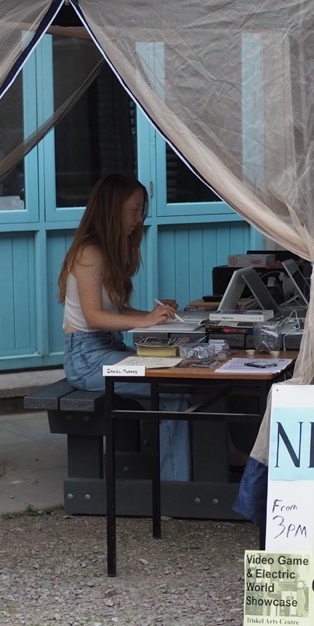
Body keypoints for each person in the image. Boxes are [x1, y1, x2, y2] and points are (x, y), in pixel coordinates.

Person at [58, 173, 191, 480]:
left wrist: (156, 314)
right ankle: (174, 485)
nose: (139, 218)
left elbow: (115, 311)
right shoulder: (89, 253)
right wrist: (145, 320)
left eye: (141, 210)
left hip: (106, 349)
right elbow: (94, 317)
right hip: (87, 359)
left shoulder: (108, 252)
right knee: (172, 389)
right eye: (134, 210)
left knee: (182, 373)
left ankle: (196, 467)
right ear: (112, 209)